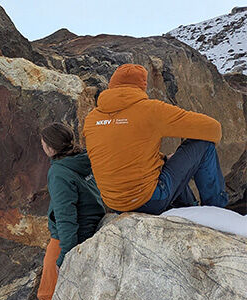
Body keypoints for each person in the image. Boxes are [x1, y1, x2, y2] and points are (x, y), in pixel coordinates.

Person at [83, 63, 228, 214]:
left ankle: (188, 210)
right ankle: (216, 211)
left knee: (166, 164)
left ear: (111, 85)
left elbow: (120, 152)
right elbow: (212, 128)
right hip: (149, 200)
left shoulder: (92, 118)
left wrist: (164, 159)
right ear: (142, 86)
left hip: (114, 204)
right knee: (203, 144)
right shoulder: (151, 110)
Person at [35, 123, 105, 300]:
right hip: (92, 229)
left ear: (50, 147)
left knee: (47, 297)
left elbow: (66, 217)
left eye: (43, 143)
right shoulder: (83, 160)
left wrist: (65, 254)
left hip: (66, 240)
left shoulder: (59, 173)